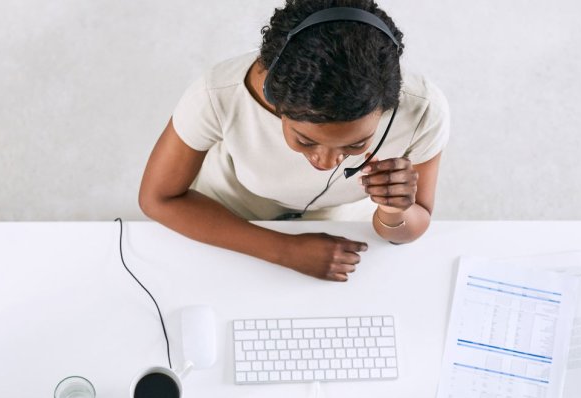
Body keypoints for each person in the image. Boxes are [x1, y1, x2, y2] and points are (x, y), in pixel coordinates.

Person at [138, 0, 449, 282]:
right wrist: (285, 250)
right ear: (274, 99)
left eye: (356, 145)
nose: (326, 164)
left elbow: (410, 227)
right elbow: (159, 199)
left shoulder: (423, 111)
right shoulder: (217, 94)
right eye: (305, 140)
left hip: (339, 224)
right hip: (227, 214)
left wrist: (394, 210)